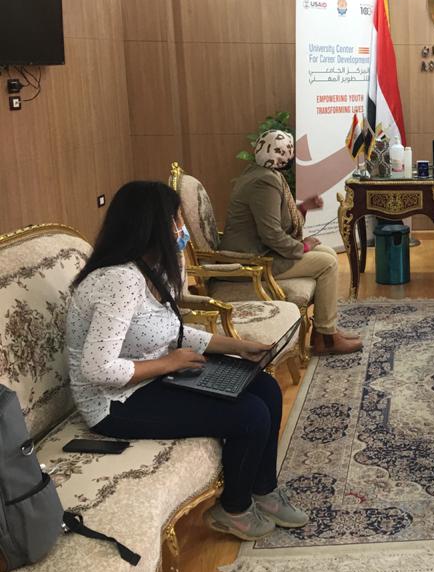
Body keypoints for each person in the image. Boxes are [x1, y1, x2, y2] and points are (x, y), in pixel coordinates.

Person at [64, 181, 309, 542]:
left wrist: (238, 346)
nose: (183, 230)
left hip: (152, 377)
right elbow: (97, 369)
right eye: (176, 221)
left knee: (266, 388)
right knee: (250, 415)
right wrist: (169, 364)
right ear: (150, 227)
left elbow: (171, 332)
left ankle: (264, 490)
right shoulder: (118, 281)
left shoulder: (149, 269)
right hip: (114, 403)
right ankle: (234, 509)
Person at [220, 129, 361, 354]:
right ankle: (326, 337)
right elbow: (271, 234)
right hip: (253, 260)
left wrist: (303, 208)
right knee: (328, 263)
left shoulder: (259, 172)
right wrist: (302, 247)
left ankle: (324, 330)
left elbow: (277, 219)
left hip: (261, 251)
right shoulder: (264, 181)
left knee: (327, 252)